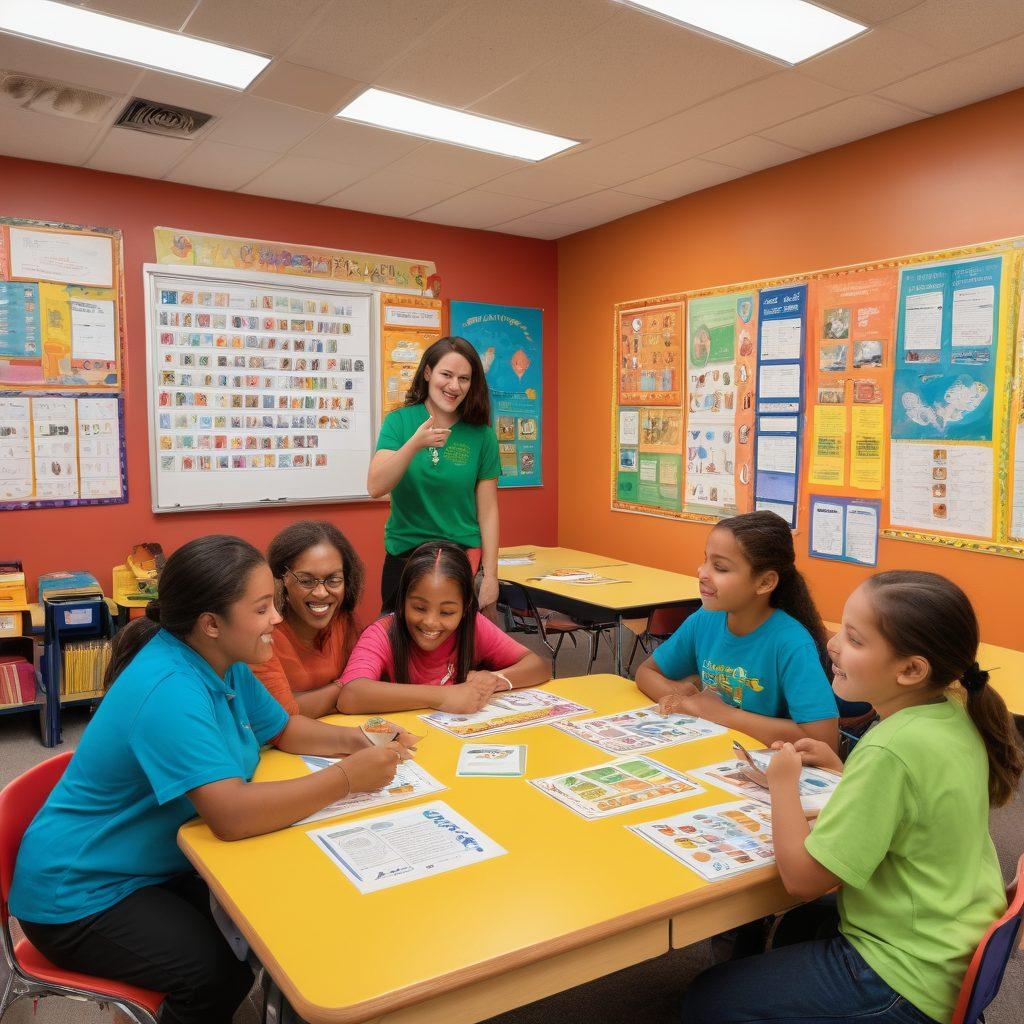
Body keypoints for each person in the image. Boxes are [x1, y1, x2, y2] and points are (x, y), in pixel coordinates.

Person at [9, 536, 417, 1024]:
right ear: (211, 624)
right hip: (79, 894)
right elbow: (231, 815)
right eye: (262, 608)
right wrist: (348, 778)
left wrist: (361, 742)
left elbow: (284, 729)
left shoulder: (222, 659)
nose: (277, 619)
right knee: (217, 975)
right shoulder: (170, 689)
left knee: (268, 929)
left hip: (144, 864)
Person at [682, 570, 1024, 1024]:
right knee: (801, 924)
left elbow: (802, 879)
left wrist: (782, 783)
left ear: (910, 670)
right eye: (841, 628)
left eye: (855, 639)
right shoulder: (953, 712)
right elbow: (914, 805)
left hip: (906, 976)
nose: (833, 644)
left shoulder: (889, 749)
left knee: (706, 1000)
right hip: (951, 938)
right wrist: (841, 770)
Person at [636, 510, 838, 749]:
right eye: (705, 560)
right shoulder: (705, 620)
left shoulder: (790, 642)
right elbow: (646, 672)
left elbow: (823, 739)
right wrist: (679, 698)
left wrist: (720, 714)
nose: (702, 572)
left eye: (720, 567)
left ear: (764, 582)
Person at [367, 337, 501, 614]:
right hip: (405, 558)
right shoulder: (399, 422)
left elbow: (488, 511)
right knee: (397, 637)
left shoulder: (482, 435)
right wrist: (414, 444)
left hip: (461, 558)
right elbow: (376, 486)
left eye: (464, 379)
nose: (454, 386)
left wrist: (491, 575)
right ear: (428, 373)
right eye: (446, 375)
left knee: (459, 638)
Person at [337, 541, 550, 714]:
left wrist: (496, 680)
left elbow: (537, 666)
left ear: (465, 608)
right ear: (402, 601)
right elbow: (351, 694)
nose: (431, 621)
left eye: (447, 612)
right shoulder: (382, 633)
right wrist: (443, 696)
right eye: (419, 608)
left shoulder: (473, 625)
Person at [251, 519, 363, 717]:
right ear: (281, 580)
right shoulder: (263, 634)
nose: (321, 592)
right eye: (306, 581)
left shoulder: (345, 622)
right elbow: (279, 714)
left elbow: (372, 687)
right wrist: (346, 689)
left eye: (333, 580)